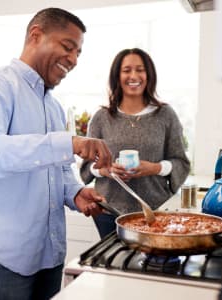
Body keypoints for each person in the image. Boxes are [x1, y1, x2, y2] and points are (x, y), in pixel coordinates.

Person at [0, 8, 112, 300]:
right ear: (36, 35)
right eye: (68, 47)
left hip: (49, 254)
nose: (74, 59)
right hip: (4, 258)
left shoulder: (52, 106)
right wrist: (68, 143)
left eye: (78, 53)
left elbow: (55, 170)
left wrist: (76, 193)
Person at [80, 48, 190, 238]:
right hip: (109, 212)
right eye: (126, 70)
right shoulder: (101, 118)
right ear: (117, 76)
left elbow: (181, 162)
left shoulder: (165, 115)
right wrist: (106, 171)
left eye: (140, 70)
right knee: (114, 264)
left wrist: (154, 168)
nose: (134, 76)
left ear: (149, 75)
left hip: (155, 212)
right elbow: (87, 168)